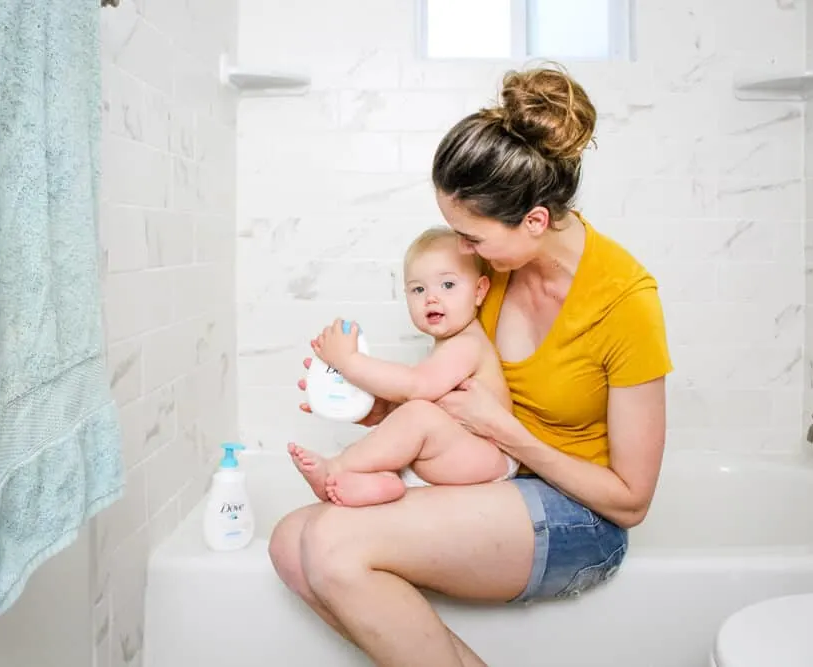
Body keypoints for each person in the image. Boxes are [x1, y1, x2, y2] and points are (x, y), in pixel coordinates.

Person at [267, 63, 673, 667]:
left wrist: (506, 432)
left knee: (328, 541)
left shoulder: (624, 303)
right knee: (288, 544)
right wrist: (379, 411)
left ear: (534, 221)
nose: (460, 250)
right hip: (499, 484)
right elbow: (459, 397)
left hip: (581, 521)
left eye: (472, 237)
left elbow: (631, 502)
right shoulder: (492, 277)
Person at [288, 226, 519, 508]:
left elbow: (416, 386)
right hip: (460, 453)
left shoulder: (468, 343)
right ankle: (382, 480)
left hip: (488, 456)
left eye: (448, 285)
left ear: (479, 291)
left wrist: (349, 362)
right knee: (408, 421)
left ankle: (338, 467)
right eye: (418, 289)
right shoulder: (446, 346)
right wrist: (354, 397)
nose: (431, 298)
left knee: (418, 414)